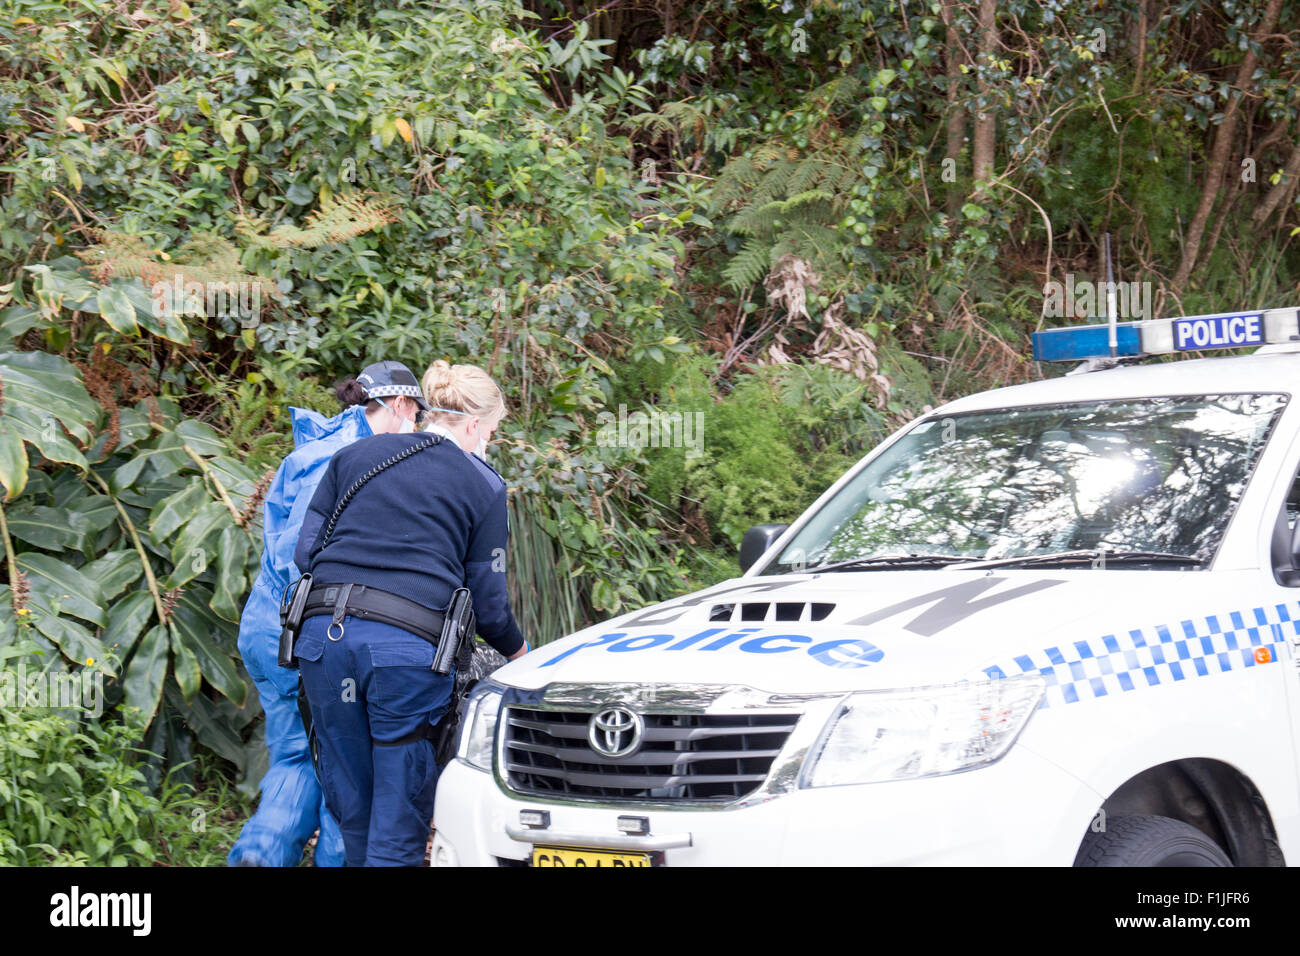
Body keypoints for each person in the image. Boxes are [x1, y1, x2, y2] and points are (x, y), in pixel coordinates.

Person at [290, 360, 528, 867]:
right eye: (491, 431)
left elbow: (306, 553)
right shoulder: (484, 485)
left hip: (322, 645)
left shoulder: (353, 456)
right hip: (405, 655)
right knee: (398, 827)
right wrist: (521, 655)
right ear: (473, 426)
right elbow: (488, 604)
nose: (489, 442)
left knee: (354, 813)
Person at [226, 360, 431, 868]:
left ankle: (261, 854)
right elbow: (305, 551)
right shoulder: (352, 458)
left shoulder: (313, 447)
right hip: (310, 631)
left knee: (297, 756)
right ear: (401, 405)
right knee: (348, 765)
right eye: (416, 416)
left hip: (266, 627)